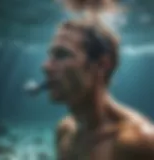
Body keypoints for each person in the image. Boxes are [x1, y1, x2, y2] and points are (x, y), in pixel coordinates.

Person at [42, 2, 154, 159]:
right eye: (51, 55)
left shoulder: (136, 143)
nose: (46, 66)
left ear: (102, 64)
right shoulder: (64, 131)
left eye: (62, 55)